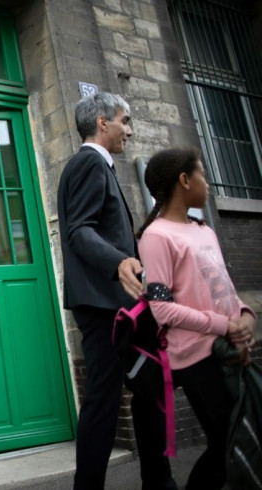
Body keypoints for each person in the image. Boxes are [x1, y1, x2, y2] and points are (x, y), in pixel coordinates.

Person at [57, 92, 175, 489]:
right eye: (125, 120)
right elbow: (79, 232)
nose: (130, 129)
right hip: (105, 305)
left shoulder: (95, 166)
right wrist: (119, 261)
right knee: (104, 402)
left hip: (117, 303)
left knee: (149, 385)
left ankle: (158, 480)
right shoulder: (90, 163)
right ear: (102, 122)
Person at [137, 147, 257, 489]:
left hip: (229, 348)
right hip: (194, 357)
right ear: (185, 179)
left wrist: (245, 317)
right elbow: (161, 309)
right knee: (224, 442)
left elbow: (223, 286)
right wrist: (223, 325)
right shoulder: (156, 237)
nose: (208, 182)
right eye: (202, 173)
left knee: (236, 438)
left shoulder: (204, 230)